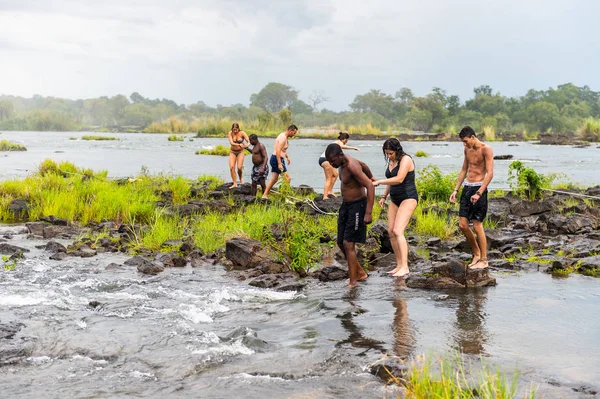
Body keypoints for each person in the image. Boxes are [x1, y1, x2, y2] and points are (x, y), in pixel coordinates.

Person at [325, 143, 375, 288]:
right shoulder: (343, 162)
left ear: (340, 156)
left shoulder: (351, 166)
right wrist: (371, 176)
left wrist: (368, 212)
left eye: (333, 161)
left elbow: (370, 186)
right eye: (330, 162)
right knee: (340, 242)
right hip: (346, 205)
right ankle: (359, 272)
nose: (332, 164)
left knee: (349, 243)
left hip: (358, 206)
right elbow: (364, 164)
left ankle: (353, 282)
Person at [449, 126, 494, 269]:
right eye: (463, 142)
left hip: (479, 188)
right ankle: (476, 253)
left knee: (477, 225)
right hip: (467, 188)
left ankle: (484, 260)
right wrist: (456, 190)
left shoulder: (486, 149)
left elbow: (490, 173)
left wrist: (479, 192)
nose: (465, 144)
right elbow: (464, 170)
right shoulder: (466, 149)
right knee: (462, 225)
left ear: (473, 137)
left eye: (466, 141)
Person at [373, 138, 418, 278]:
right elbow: (391, 179)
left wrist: (379, 181)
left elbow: (398, 179)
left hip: (408, 197)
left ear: (397, 150)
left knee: (398, 231)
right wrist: (383, 196)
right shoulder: (391, 161)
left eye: (391, 153)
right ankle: (398, 265)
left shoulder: (406, 160)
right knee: (391, 231)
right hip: (395, 198)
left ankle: (405, 267)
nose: (389, 156)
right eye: (387, 153)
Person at [319, 132, 360, 200]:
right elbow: (342, 146)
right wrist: (353, 148)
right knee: (328, 179)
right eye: (347, 140)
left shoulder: (336, 142)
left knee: (335, 174)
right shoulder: (339, 142)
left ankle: (330, 191)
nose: (346, 142)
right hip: (325, 160)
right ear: (344, 139)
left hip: (325, 160)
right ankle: (325, 196)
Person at [262, 124, 298, 199]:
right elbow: (278, 149)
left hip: (276, 158)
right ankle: (284, 197)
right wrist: (279, 163)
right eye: (294, 133)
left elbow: (282, 149)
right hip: (276, 159)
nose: (294, 135)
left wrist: (287, 157)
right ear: (290, 130)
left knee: (274, 179)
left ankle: (265, 195)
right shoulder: (283, 137)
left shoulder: (284, 136)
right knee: (287, 178)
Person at [227, 123, 250, 188]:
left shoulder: (242, 133)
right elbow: (231, 143)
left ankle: (240, 178)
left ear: (238, 128)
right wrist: (239, 145)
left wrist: (246, 145)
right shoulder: (230, 133)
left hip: (240, 152)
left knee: (239, 168)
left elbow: (248, 141)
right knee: (231, 167)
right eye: (234, 129)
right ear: (232, 129)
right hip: (232, 152)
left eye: (236, 129)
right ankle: (235, 183)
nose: (235, 131)